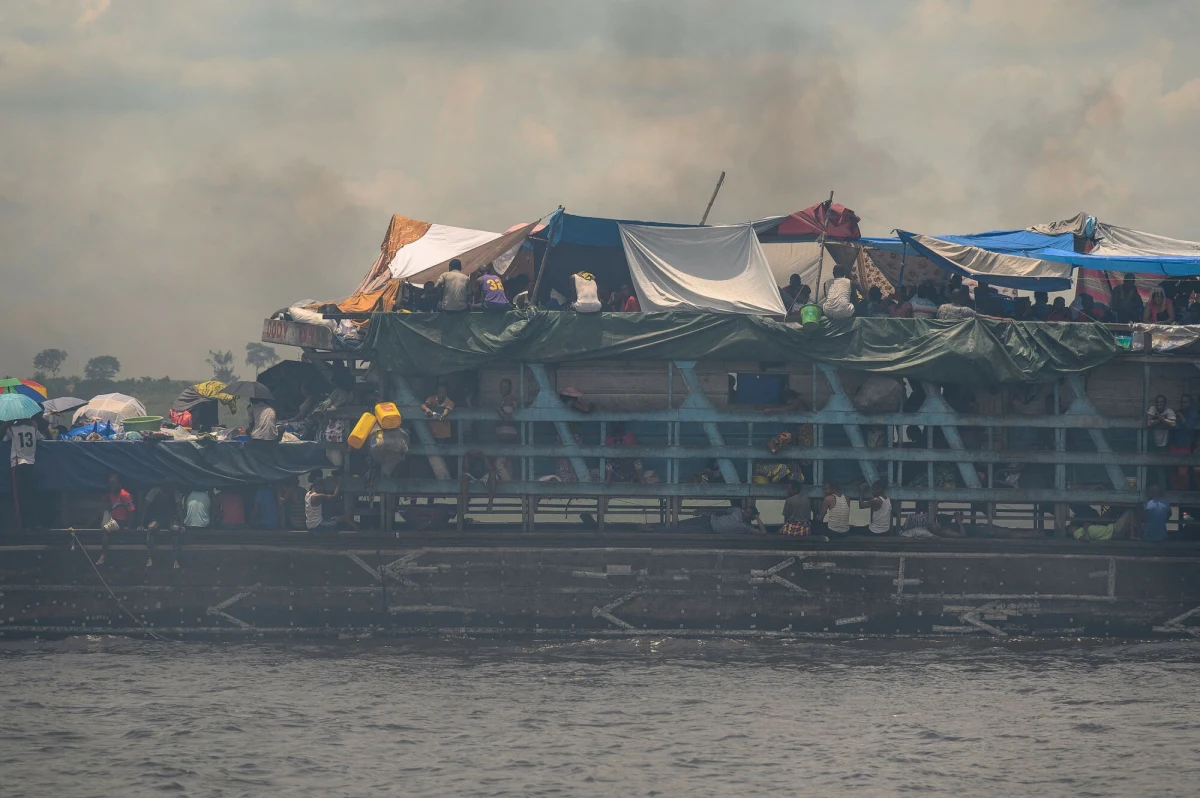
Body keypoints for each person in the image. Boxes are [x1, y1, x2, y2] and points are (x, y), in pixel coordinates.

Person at [5, 418, 43, 531]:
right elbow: (43, 439)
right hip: (30, 464)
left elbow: (4, 439)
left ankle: (22, 525)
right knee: (32, 495)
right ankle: (35, 523)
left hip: (17, 465)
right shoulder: (33, 429)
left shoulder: (11, 429)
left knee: (19, 496)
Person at [138, 481, 183, 569]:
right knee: (150, 529)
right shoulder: (154, 491)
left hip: (170, 518)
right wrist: (141, 523)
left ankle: (175, 559)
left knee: (176, 530)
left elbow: (179, 509)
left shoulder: (175, 492)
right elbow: (145, 507)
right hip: (157, 518)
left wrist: (182, 524)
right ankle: (150, 557)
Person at [641, 504, 765, 535]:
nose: (744, 513)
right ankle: (652, 526)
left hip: (710, 530)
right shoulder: (737, 510)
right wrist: (706, 510)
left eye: (748, 513)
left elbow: (763, 533)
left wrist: (758, 517)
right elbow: (721, 510)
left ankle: (653, 530)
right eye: (745, 510)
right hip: (708, 520)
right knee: (679, 524)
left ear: (751, 516)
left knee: (681, 530)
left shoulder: (746, 528)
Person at [96, 473, 136, 565]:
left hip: (122, 522)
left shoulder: (125, 495)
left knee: (106, 529)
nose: (111, 485)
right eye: (110, 483)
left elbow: (132, 512)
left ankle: (103, 555)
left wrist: (129, 526)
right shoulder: (111, 494)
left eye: (113, 483)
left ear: (119, 483)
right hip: (114, 519)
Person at [1146, 394, 1176, 489]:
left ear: (1165, 404)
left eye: (1161, 402)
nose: (1159, 404)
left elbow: (1173, 423)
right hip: (1152, 443)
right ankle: (1151, 491)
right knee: (1151, 468)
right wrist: (1162, 420)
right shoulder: (1152, 409)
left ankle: (1162, 492)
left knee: (1161, 469)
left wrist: (1160, 418)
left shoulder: (1169, 411)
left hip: (1163, 444)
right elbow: (1148, 423)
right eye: (1157, 402)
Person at [1169, 394, 1197, 491]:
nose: (1183, 404)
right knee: (1173, 471)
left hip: (1185, 445)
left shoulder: (1193, 413)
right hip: (1174, 445)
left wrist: (1181, 417)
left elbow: (1190, 426)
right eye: (1182, 402)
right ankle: (1175, 492)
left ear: (1190, 403)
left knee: (1183, 472)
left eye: (1185, 402)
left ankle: (1183, 493)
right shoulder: (1178, 412)